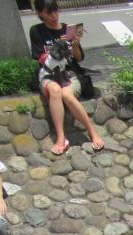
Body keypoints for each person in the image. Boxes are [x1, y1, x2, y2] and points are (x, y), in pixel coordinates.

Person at [29, 0, 105, 155]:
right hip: (48, 74)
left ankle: (92, 131)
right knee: (56, 91)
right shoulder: (36, 31)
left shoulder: (67, 29)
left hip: (68, 74)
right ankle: (61, 137)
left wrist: (75, 45)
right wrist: (57, 48)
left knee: (66, 94)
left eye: (55, 11)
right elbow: (39, 57)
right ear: (40, 13)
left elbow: (78, 58)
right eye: (49, 12)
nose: (54, 15)